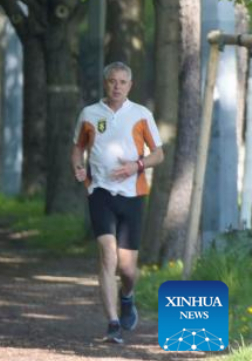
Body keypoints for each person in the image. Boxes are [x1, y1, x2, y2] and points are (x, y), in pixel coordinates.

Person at [71, 61, 164, 344]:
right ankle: (113, 323)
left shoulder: (141, 114)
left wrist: (136, 166)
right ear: (105, 83)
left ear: (130, 86)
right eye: (112, 81)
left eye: (122, 82)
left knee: (127, 268)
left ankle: (127, 296)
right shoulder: (90, 114)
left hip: (133, 195)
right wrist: (78, 167)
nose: (117, 86)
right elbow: (78, 147)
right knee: (107, 255)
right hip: (99, 192)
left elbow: (158, 154)